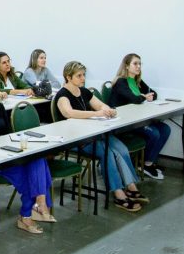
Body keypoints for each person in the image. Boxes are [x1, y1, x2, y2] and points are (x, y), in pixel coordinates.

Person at [55, 61, 145, 213]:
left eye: (84, 75)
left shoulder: (83, 91)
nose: (83, 78)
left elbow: (100, 104)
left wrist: (108, 110)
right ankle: (118, 193)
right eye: (79, 76)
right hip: (76, 139)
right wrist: (96, 114)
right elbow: (69, 113)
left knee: (121, 148)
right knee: (108, 153)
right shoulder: (62, 95)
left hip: (92, 134)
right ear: (68, 77)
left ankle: (130, 186)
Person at [0, 73, 55, 232]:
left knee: (38, 158)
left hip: (7, 154)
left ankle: (37, 206)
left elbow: (9, 134)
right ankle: (31, 212)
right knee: (29, 175)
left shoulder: (0, 107)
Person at [109, 53, 170, 180]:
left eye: (140, 64)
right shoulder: (121, 82)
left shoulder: (137, 80)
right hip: (125, 122)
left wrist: (148, 96)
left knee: (165, 129)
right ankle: (144, 164)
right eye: (135, 64)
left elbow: (154, 93)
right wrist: (144, 97)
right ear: (126, 66)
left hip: (138, 119)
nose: (138, 67)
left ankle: (147, 163)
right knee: (154, 133)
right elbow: (134, 99)